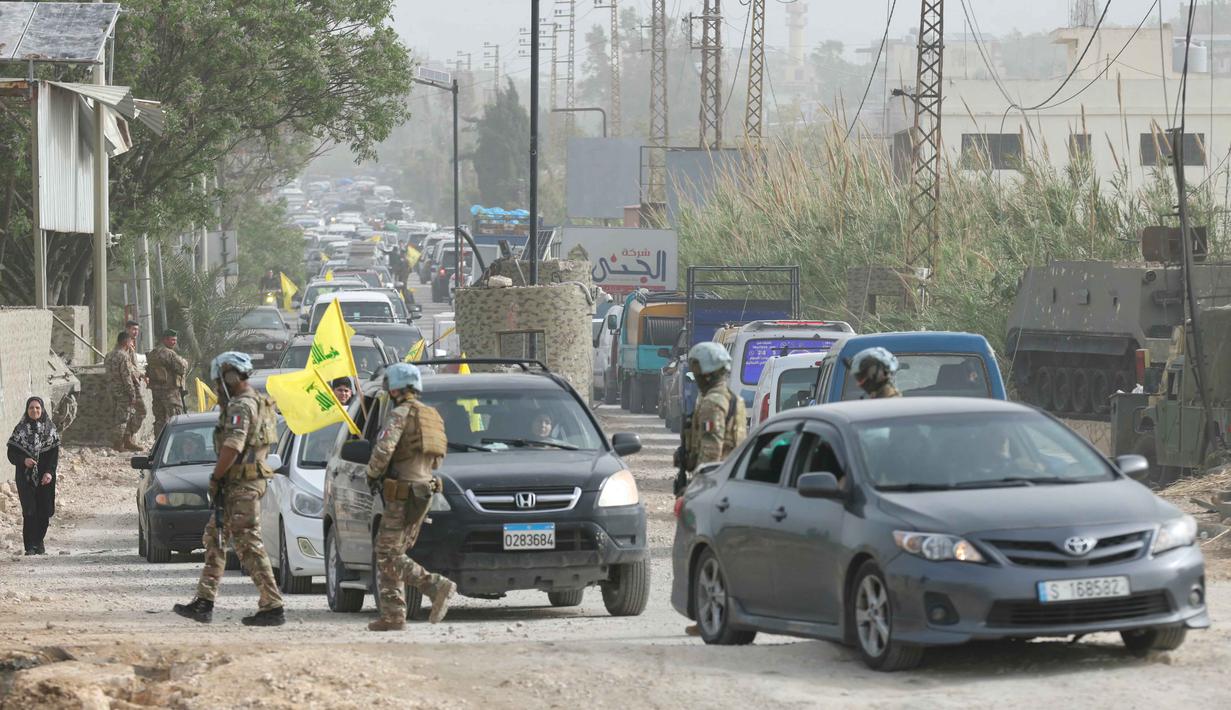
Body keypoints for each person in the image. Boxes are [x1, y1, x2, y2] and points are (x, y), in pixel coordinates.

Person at [173, 352, 285, 626]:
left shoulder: (241, 406)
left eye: (220, 381)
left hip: (241, 485)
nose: (218, 387)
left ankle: (273, 605)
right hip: (240, 484)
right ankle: (204, 601)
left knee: (248, 544)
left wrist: (216, 476)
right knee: (216, 538)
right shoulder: (258, 402)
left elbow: (233, 446)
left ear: (231, 377)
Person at [366, 363, 456, 631]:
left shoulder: (400, 414)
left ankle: (436, 585)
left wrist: (371, 473)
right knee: (394, 551)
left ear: (395, 389)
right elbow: (437, 459)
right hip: (424, 490)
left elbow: (384, 450)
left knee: (386, 554)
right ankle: (393, 616)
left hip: (403, 493)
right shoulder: (430, 415)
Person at [678, 342, 746, 638]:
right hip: (731, 485)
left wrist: (694, 491)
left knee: (704, 553)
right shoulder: (734, 399)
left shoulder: (711, 404)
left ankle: (709, 616)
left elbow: (710, 453)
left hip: (714, 487)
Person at [7, 397, 60, 555]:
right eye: (31, 408)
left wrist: (49, 472)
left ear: (42, 409)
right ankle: (30, 546)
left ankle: (39, 542)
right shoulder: (20, 430)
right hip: (25, 477)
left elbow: (54, 455)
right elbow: (11, 454)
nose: (34, 410)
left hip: (45, 478)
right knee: (30, 510)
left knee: (44, 511)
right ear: (27, 409)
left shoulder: (50, 430)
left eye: (37, 408)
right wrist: (24, 460)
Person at [105, 331, 142, 451]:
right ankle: (118, 444)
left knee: (116, 416)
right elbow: (126, 377)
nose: (131, 344)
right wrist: (132, 393)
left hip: (111, 390)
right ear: (126, 342)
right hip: (122, 391)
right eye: (131, 342)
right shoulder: (124, 356)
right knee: (122, 418)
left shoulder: (109, 355)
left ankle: (126, 441)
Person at [147, 329, 190, 435]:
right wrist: (184, 361)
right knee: (176, 418)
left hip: (156, 392)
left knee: (160, 419)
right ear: (165, 340)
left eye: (175, 340)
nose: (174, 342)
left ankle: (159, 441)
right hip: (170, 392)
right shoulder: (169, 353)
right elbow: (182, 368)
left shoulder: (153, 353)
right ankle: (177, 440)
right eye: (172, 340)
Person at [125, 320, 150, 436]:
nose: (136, 332)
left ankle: (128, 437)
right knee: (141, 410)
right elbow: (127, 366)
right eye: (134, 329)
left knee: (131, 412)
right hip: (129, 384)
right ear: (127, 329)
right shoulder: (125, 345)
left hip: (133, 382)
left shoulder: (130, 344)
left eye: (137, 330)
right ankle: (128, 436)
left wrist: (141, 374)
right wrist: (140, 375)